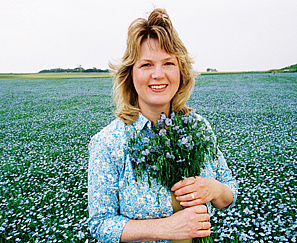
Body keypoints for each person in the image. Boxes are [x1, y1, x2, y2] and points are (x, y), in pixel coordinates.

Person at [88, 8, 238, 243]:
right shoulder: (108, 142)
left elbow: (229, 192)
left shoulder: (199, 127)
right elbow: (101, 225)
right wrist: (166, 228)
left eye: (168, 63)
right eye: (146, 65)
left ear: (181, 71)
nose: (158, 74)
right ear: (129, 74)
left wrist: (215, 189)